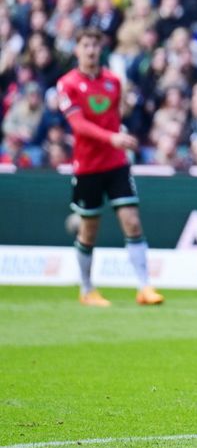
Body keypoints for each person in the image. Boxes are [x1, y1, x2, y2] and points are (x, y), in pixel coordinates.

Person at [56, 28, 164, 307]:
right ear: (77, 49)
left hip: (116, 163)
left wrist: (121, 131)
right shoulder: (67, 84)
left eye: (94, 45)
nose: (91, 50)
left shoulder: (113, 82)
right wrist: (113, 137)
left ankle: (145, 287)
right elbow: (78, 125)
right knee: (89, 229)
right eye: (85, 45)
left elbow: (114, 117)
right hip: (87, 166)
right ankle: (87, 289)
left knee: (132, 220)